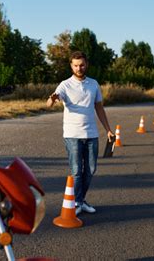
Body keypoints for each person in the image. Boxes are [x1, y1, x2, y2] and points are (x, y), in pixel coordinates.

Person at [46, 51, 114, 215]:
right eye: (76, 65)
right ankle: (77, 202)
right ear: (71, 66)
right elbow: (49, 103)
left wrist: (108, 130)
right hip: (72, 135)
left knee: (91, 169)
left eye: (81, 65)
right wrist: (53, 99)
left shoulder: (93, 84)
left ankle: (80, 200)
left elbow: (99, 108)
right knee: (76, 171)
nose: (79, 68)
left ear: (86, 64)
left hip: (91, 134)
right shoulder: (65, 85)